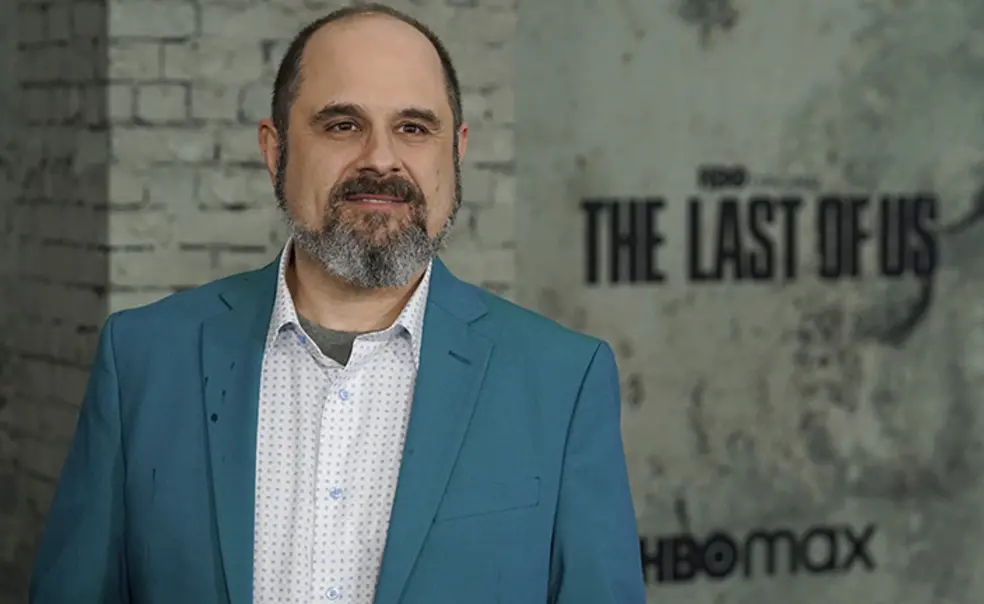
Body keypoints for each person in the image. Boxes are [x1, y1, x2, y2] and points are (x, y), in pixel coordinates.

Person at [29, 4, 645, 603]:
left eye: (413, 127)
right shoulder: (141, 360)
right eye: (342, 125)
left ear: (455, 152)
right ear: (276, 151)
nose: (381, 158)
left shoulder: (562, 381)